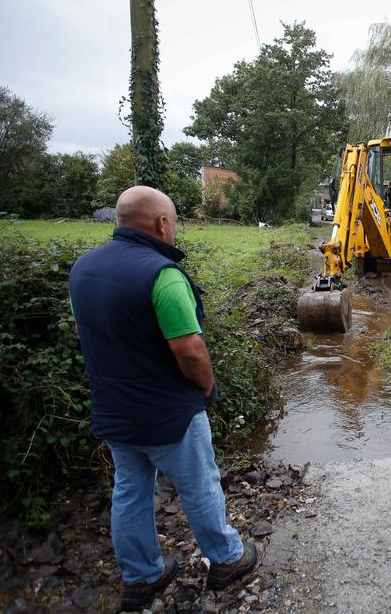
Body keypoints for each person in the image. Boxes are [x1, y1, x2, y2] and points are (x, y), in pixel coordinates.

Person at [69, 186, 258, 611]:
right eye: (173, 222)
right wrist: (207, 388)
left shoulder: (82, 269)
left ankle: (141, 576)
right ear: (162, 224)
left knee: (130, 491)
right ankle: (226, 559)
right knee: (199, 485)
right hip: (167, 413)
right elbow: (189, 349)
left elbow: (86, 334)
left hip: (114, 409)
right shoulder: (162, 275)